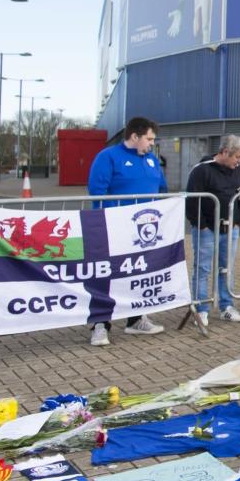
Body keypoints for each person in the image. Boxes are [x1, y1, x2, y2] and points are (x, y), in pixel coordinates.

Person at [86, 116, 167, 346]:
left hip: (142, 234)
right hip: (113, 230)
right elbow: (96, 191)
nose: (152, 143)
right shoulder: (108, 157)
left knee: (140, 274)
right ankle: (100, 324)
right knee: (106, 276)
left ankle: (135, 319)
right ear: (135, 136)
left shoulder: (151, 160)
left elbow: (162, 189)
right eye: (149, 139)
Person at [185, 135, 240, 327]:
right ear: (224, 152)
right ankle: (201, 309)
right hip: (207, 230)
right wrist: (202, 225)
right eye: (237, 156)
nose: (239, 161)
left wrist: (238, 220)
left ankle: (227, 307)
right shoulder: (202, 171)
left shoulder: (239, 171)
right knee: (203, 268)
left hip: (230, 229)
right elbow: (192, 200)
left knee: (226, 268)